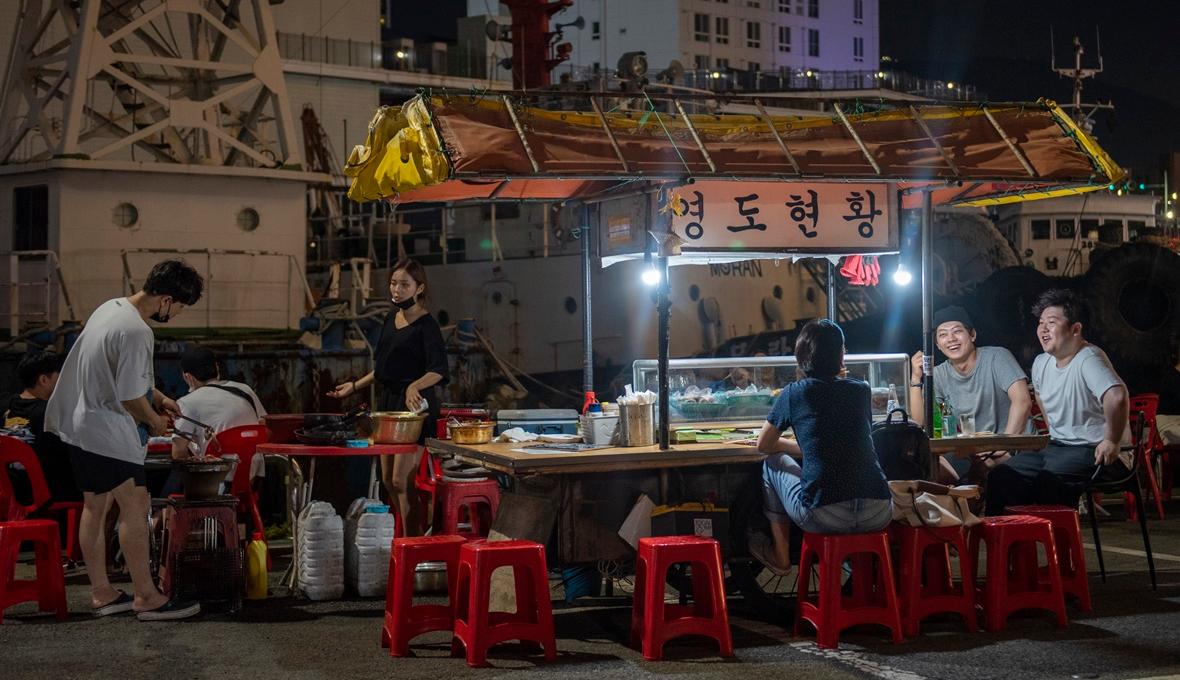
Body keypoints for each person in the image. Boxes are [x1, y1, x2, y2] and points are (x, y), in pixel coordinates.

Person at [45, 259, 204, 621]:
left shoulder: (111, 308)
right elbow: (130, 398)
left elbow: (119, 372)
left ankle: (102, 594)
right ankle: (147, 597)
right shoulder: (138, 331)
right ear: (165, 299)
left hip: (81, 425)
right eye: (179, 307)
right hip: (109, 432)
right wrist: (155, 421)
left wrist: (159, 397)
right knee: (135, 505)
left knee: (95, 507)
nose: (177, 314)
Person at [748, 319, 892, 574]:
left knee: (771, 463)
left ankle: (780, 555)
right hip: (878, 511)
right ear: (840, 355)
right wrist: (808, 447)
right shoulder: (861, 390)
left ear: (801, 357)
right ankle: (853, 568)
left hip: (824, 515)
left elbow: (764, 445)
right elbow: (846, 439)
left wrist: (796, 446)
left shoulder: (795, 393)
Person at [984, 289, 1131, 516]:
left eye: (1051, 322)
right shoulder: (1042, 363)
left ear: (1075, 329)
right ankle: (1012, 544)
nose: (1043, 328)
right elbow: (1041, 397)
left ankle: (1060, 546)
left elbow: (1117, 396)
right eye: (1041, 322)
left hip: (1095, 451)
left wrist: (1111, 440)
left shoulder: (1087, 358)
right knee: (1002, 476)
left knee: (1048, 480)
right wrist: (1056, 432)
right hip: (1059, 448)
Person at [328, 258, 448, 532]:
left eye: (404, 284)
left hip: (415, 409)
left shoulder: (427, 325)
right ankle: (403, 539)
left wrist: (414, 386)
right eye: (394, 283)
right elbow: (382, 369)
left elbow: (439, 369)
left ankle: (412, 544)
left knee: (401, 481)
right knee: (386, 481)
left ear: (419, 288)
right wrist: (354, 386)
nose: (396, 289)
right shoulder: (390, 319)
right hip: (389, 405)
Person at [908, 306, 1032, 481]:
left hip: (1014, 447)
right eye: (943, 335)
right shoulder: (939, 375)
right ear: (937, 345)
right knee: (927, 468)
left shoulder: (997, 357)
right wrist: (915, 378)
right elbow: (921, 421)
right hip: (973, 451)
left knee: (982, 473)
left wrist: (1002, 448)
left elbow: (1023, 402)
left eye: (957, 331)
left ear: (972, 335)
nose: (951, 339)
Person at [169, 345, 268, 492]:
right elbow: (263, 424)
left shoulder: (187, 402)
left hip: (217, 480)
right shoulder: (245, 390)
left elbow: (178, 454)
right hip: (254, 476)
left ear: (187, 376)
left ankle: (160, 513)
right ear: (217, 367)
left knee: (174, 476)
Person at [4, 350, 78, 505]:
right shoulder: (48, 413)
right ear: (44, 380)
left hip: (8, 493)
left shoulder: (5, 407)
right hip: (42, 496)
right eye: (60, 378)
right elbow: (63, 458)